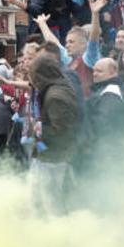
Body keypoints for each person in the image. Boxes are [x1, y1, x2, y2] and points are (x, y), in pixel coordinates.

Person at [28, 55, 80, 216]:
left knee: (51, 203)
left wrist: (39, 128)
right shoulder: (57, 88)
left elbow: (62, 131)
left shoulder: (56, 95)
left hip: (53, 158)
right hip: (52, 156)